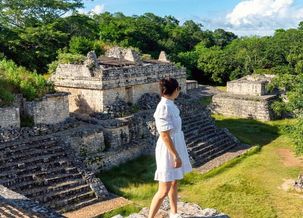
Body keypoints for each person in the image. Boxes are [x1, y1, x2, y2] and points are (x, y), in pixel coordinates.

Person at [148, 78, 192, 218]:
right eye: (178, 88)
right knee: (164, 189)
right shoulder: (163, 107)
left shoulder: (171, 104)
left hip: (175, 143)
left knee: (174, 181)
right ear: (174, 90)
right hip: (168, 149)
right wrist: (175, 155)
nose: (179, 91)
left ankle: (174, 212)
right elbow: (165, 135)